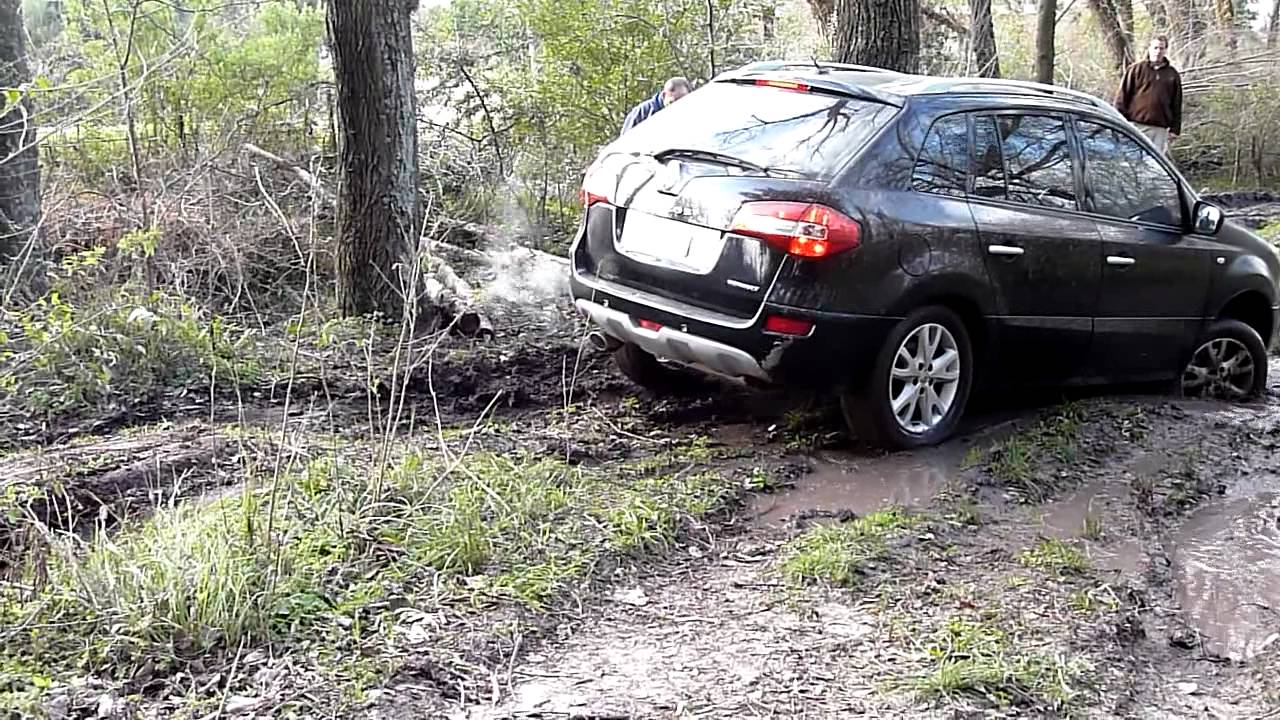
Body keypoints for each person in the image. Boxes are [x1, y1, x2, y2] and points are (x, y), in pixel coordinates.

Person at [1114, 34, 1183, 154]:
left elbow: (1176, 103)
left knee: (1154, 166)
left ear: (1166, 50)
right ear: (1149, 48)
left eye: (1161, 48)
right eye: (1155, 48)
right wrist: (1120, 123)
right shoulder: (1135, 70)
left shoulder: (1172, 75)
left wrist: (1175, 130)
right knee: (1132, 160)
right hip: (1136, 126)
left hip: (1159, 129)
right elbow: (1122, 98)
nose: (1158, 51)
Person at [620, 77, 692, 134]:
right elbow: (624, 142)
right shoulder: (643, 112)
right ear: (664, 95)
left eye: (681, 103)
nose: (676, 108)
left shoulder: (688, 116)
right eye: (673, 102)